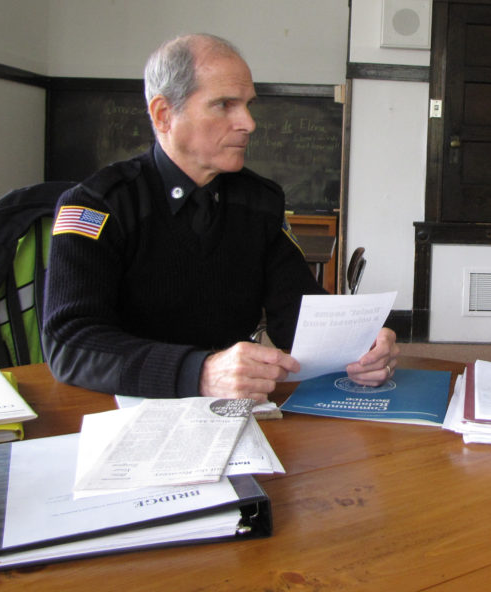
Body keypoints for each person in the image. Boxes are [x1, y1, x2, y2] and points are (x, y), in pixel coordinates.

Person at [43, 33, 398, 400]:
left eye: (247, 105)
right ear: (164, 114)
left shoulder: (259, 201)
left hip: (234, 408)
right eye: (225, 105)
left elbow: (297, 312)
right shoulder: (96, 206)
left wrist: (359, 344)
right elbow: (69, 343)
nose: (248, 123)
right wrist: (198, 372)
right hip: (122, 407)